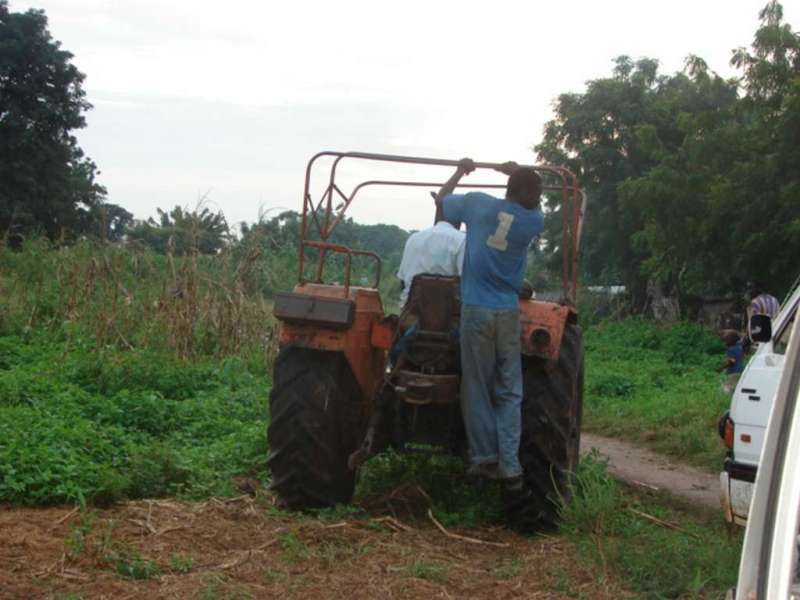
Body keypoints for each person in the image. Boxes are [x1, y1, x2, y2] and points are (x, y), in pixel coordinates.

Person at [437, 158, 544, 498]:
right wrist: (514, 172)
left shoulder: (477, 204)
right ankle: (510, 465)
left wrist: (460, 171)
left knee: (477, 385)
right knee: (510, 390)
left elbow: (442, 201)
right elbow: (529, 195)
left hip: (475, 311)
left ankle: (484, 457)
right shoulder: (533, 221)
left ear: (508, 189)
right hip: (507, 312)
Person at [396, 207, 465, 309]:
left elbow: (402, 281)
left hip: (411, 310)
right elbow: (465, 282)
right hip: (447, 315)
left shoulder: (413, 238)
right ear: (460, 219)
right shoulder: (461, 240)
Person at [719, 330, 744, 394]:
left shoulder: (730, 349)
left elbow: (732, 361)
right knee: (735, 387)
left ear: (729, 341)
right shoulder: (739, 347)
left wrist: (722, 367)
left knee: (726, 387)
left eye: (725, 341)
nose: (725, 343)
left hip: (733, 372)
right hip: (741, 371)